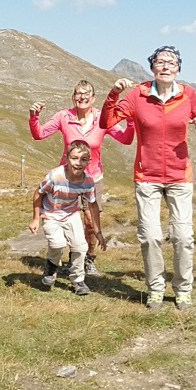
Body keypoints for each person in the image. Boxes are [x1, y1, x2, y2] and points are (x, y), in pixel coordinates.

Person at [99, 46, 196, 311]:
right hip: (147, 177)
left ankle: (183, 291)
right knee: (150, 237)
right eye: (160, 62)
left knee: (183, 237)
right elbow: (106, 122)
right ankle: (155, 291)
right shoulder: (138, 94)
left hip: (179, 176)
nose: (165, 66)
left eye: (171, 63)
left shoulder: (188, 95)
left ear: (178, 69)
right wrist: (114, 94)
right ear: (152, 67)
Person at [29, 80, 134, 276]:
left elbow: (126, 139)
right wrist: (34, 117)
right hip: (67, 179)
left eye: (86, 94)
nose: (82, 97)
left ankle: (89, 258)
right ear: (73, 97)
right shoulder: (64, 117)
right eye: (78, 93)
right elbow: (39, 134)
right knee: (64, 218)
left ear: (93, 99)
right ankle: (66, 258)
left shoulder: (103, 118)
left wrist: (131, 121)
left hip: (92, 178)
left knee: (90, 220)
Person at [28, 140, 108, 295]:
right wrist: (36, 218)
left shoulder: (88, 181)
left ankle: (78, 280)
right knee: (57, 243)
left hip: (71, 214)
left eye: (83, 159)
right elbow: (39, 193)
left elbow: (92, 205)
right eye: (74, 158)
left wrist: (98, 232)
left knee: (80, 247)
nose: (78, 163)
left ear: (89, 162)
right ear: (66, 158)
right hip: (51, 214)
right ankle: (51, 267)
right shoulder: (55, 176)